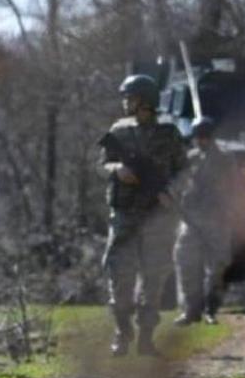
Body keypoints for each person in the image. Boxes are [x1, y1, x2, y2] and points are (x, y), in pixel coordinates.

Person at [99, 74, 186, 356]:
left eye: (131, 97)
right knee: (119, 275)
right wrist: (117, 170)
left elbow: (183, 170)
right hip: (124, 214)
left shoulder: (168, 133)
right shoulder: (119, 130)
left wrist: (170, 192)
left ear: (145, 101)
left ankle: (146, 337)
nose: (126, 102)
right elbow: (104, 162)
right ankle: (122, 333)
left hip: (157, 216)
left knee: (154, 277)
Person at [172, 117, 236, 326]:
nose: (202, 141)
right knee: (186, 264)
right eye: (198, 137)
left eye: (205, 137)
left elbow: (232, 187)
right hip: (191, 220)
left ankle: (211, 309)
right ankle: (191, 310)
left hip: (217, 219)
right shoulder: (189, 159)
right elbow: (178, 184)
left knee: (216, 268)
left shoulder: (224, 159)